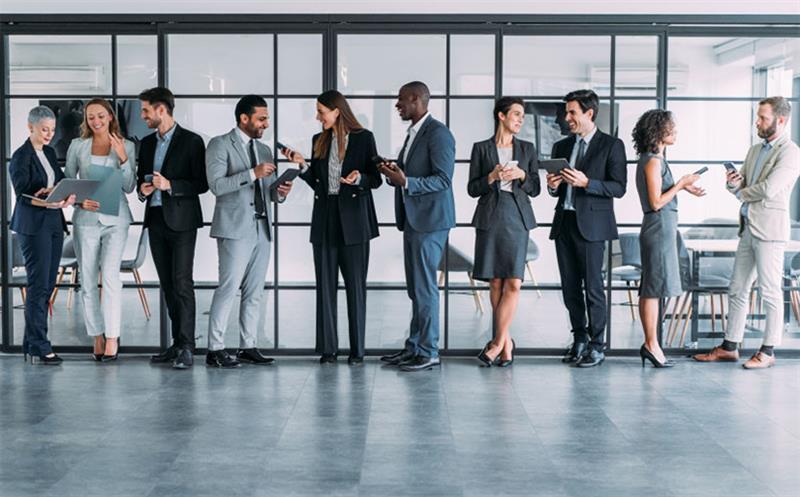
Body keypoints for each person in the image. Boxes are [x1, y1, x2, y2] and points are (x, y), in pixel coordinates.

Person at [694, 96, 800, 369]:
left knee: (770, 292)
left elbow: (768, 189)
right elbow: (746, 185)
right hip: (748, 228)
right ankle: (730, 346)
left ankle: (768, 351)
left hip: (770, 231)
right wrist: (733, 184)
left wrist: (742, 192)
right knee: (738, 288)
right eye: (758, 116)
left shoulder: (790, 152)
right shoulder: (755, 150)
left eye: (763, 118)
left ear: (781, 120)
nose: (758, 122)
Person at [283, 90, 381, 365]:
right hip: (325, 219)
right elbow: (318, 183)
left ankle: (357, 351)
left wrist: (360, 177)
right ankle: (329, 349)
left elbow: (376, 179)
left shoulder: (364, 138)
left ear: (337, 111)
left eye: (321, 112)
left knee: (355, 288)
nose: (317, 117)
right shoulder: (319, 140)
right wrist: (302, 167)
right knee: (325, 287)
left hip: (356, 223)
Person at [205, 95, 293, 368]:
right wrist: (252, 173)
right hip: (234, 228)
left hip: (262, 227)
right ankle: (215, 349)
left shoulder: (264, 149)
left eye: (267, 118)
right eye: (262, 118)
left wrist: (281, 192)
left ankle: (248, 345)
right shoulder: (219, 144)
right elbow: (217, 186)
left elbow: (268, 194)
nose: (266, 123)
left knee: (255, 290)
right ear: (244, 118)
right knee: (229, 287)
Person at [378, 81, 456, 372]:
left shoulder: (439, 134)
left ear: (416, 99)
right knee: (416, 288)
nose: (397, 105)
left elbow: (443, 180)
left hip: (431, 221)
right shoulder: (414, 133)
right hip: (414, 220)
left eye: (401, 100)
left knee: (424, 288)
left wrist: (407, 182)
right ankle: (414, 346)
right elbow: (407, 173)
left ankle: (428, 351)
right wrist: (393, 172)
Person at [546, 89, 627, 368]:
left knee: (593, 288)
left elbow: (619, 188)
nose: (567, 117)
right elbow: (556, 191)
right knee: (570, 288)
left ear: (589, 114)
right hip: (565, 223)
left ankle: (597, 345)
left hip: (593, 227)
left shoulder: (611, 145)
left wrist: (587, 183)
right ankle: (579, 338)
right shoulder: (561, 147)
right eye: (566, 112)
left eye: (572, 112)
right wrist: (553, 186)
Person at [138, 87, 209, 370]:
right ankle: (177, 344)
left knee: (182, 283)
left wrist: (170, 186)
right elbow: (141, 183)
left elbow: (201, 184)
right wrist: (143, 191)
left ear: (161, 110)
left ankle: (187, 346)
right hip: (155, 220)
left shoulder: (192, 142)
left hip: (182, 222)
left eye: (146, 110)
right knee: (167, 285)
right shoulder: (145, 143)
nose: (142, 115)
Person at [468, 97, 540, 367]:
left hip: (517, 217)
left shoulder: (527, 148)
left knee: (513, 282)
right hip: (490, 216)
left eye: (522, 116)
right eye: (517, 114)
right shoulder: (481, 149)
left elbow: (535, 187)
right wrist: (491, 177)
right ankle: (507, 344)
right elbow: (472, 188)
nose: (520, 120)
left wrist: (522, 175)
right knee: (495, 282)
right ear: (501, 115)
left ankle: (496, 343)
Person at [65, 98, 136, 362]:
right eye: (91, 117)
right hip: (86, 218)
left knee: (110, 277)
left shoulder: (126, 145)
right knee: (86, 280)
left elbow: (129, 186)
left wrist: (123, 158)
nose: (96, 121)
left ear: (110, 117)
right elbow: (69, 182)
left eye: (101, 116)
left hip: (116, 218)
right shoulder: (77, 146)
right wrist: (81, 200)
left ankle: (113, 337)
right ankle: (96, 334)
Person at [632, 109, 704, 368]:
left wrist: (685, 188)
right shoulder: (652, 161)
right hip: (657, 228)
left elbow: (661, 196)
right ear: (658, 130)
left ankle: (652, 345)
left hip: (662, 229)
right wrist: (681, 184)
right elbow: (655, 202)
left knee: (654, 288)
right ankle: (651, 344)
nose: (675, 131)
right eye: (671, 127)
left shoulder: (655, 159)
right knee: (651, 289)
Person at [10, 106, 76, 365]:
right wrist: (45, 198)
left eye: (52, 129)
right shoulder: (20, 156)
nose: (49, 135)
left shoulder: (49, 152)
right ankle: (40, 344)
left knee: (47, 285)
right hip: (33, 225)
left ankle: (31, 343)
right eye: (44, 130)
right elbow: (24, 195)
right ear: (30, 128)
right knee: (38, 286)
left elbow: (58, 183)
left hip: (53, 223)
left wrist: (66, 195)